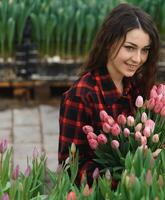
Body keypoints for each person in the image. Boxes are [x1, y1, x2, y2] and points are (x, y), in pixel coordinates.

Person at [58, 3, 159, 186]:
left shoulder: (137, 87)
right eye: (129, 47)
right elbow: (69, 168)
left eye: (144, 50)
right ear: (109, 43)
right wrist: (125, 176)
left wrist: (161, 152)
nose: (137, 59)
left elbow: (152, 137)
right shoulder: (82, 95)